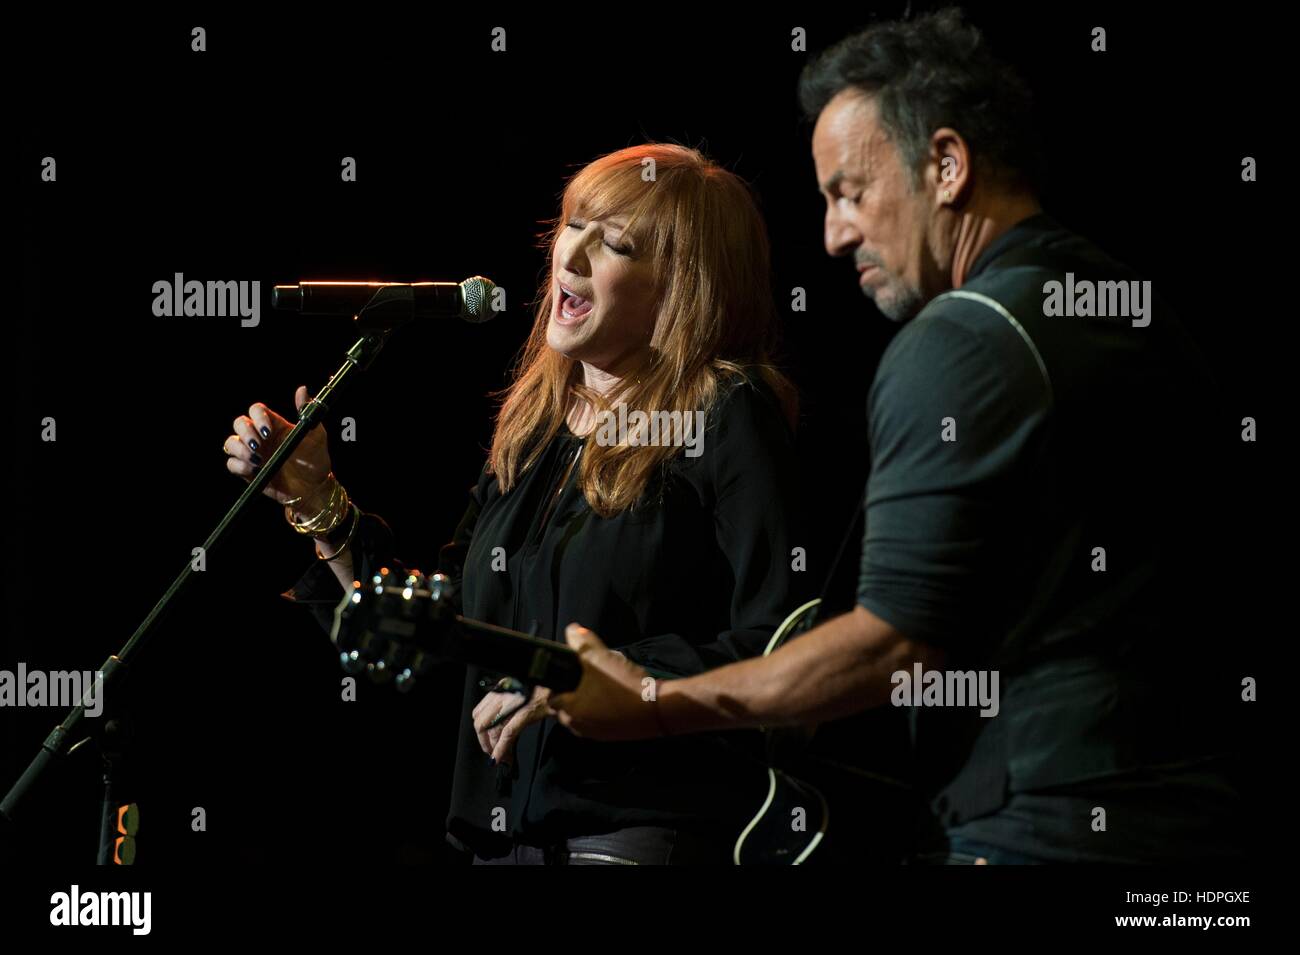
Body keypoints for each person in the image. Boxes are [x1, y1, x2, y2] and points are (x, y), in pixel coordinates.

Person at [548, 10, 1247, 864]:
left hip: (1047, 826)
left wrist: (654, 701)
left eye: (850, 192)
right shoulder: (1135, 311)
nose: (836, 235)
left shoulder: (960, 338)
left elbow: (890, 644)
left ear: (947, 166)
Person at [222, 143, 808, 864]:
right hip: (500, 840)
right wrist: (319, 503)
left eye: (615, 242)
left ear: (679, 289)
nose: (574, 252)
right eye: (573, 225)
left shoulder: (725, 414)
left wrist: (582, 674)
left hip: (636, 834)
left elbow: (784, 640)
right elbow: (444, 640)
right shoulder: (535, 433)